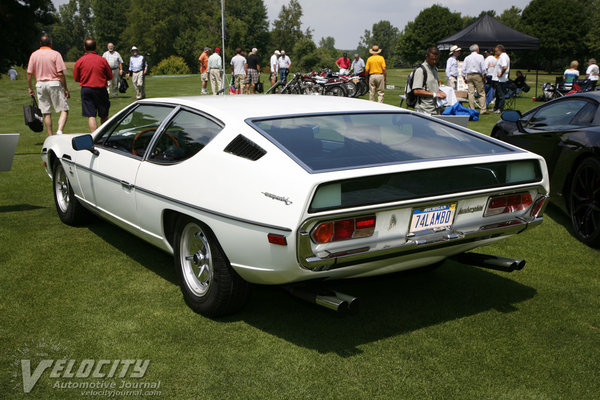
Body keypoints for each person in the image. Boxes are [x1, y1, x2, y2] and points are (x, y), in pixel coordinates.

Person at [26, 34, 69, 136]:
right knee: (64, 109)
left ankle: (50, 135)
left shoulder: (34, 55)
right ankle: (59, 131)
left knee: (46, 112)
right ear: (51, 43)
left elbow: (29, 73)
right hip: (54, 83)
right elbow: (60, 73)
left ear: (40, 43)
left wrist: (30, 88)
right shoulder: (55, 54)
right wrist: (65, 88)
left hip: (40, 84)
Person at [74, 38, 113, 133]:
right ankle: (103, 136)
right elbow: (110, 76)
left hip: (86, 89)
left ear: (84, 48)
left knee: (91, 115)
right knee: (103, 115)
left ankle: (94, 136)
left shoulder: (80, 61)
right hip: (100, 89)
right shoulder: (102, 60)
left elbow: (76, 78)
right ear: (96, 47)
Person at [412, 46, 446, 115]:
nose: (434, 61)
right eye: (432, 59)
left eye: (436, 59)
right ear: (426, 56)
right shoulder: (420, 70)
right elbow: (416, 91)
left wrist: (440, 92)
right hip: (424, 110)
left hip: (435, 109)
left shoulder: (435, 69)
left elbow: (432, 87)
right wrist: (435, 94)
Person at [462, 44, 487, 112]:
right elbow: (483, 68)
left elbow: (463, 69)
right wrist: (484, 77)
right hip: (477, 75)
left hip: (469, 75)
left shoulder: (467, 58)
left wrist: (464, 77)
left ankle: (471, 109)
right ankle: (483, 109)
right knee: (481, 93)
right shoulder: (480, 57)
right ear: (477, 50)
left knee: (471, 93)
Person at [492, 44, 510, 114]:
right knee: (497, 94)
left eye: (496, 51)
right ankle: (496, 107)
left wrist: (501, 74)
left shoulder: (503, 57)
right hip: (499, 79)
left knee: (501, 95)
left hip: (501, 79)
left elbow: (504, 67)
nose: (495, 52)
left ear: (500, 50)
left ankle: (500, 108)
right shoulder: (502, 57)